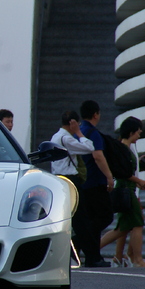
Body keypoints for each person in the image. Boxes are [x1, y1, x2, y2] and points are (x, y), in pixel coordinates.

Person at [100, 117, 145, 267]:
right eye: (138, 132)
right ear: (131, 132)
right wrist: (139, 181)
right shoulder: (123, 148)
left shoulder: (127, 148)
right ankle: (137, 259)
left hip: (128, 189)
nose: (139, 135)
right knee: (137, 224)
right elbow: (123, 172)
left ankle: (114, 255)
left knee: (123, 228)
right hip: (127, 190)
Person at [50, 111, 94, 264]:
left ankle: (77, 252)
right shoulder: (66, 138)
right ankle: (91, 257)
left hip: (59, 179)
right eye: (77, 123)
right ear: (72, 123)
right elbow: (89, 147)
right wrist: (79, 132)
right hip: (70, 180)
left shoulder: (55, 137)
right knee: (81, 220)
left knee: (75, 219)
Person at [78, 100, 114, 267]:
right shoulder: (92, 133)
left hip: (83, 182)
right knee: (105, 216)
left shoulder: (78, 131)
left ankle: (93, 257)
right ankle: (79, 241)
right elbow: (98, 156)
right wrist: (109, 177)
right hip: (95, 181)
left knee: (92, 218)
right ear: (95, 114)